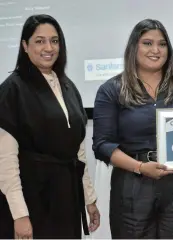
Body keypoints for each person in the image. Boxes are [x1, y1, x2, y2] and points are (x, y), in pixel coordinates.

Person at [93, 19, 173, 239]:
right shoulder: (111, 89)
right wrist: (141, 167)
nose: (155, 50)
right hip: (132, 182)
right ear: (134, 47)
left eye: (162, 44)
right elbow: (102, 145)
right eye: (147, 43)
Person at [0, 14, 100, 239]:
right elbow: (5, 161)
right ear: (25, 46)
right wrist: (19, 215)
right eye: (39, 41)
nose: (49, 47)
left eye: (54, 41)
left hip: (66, 199)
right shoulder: (12, 90)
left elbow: (78, 152)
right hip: (31, 200)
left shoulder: (67, 85)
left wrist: (89, 199)